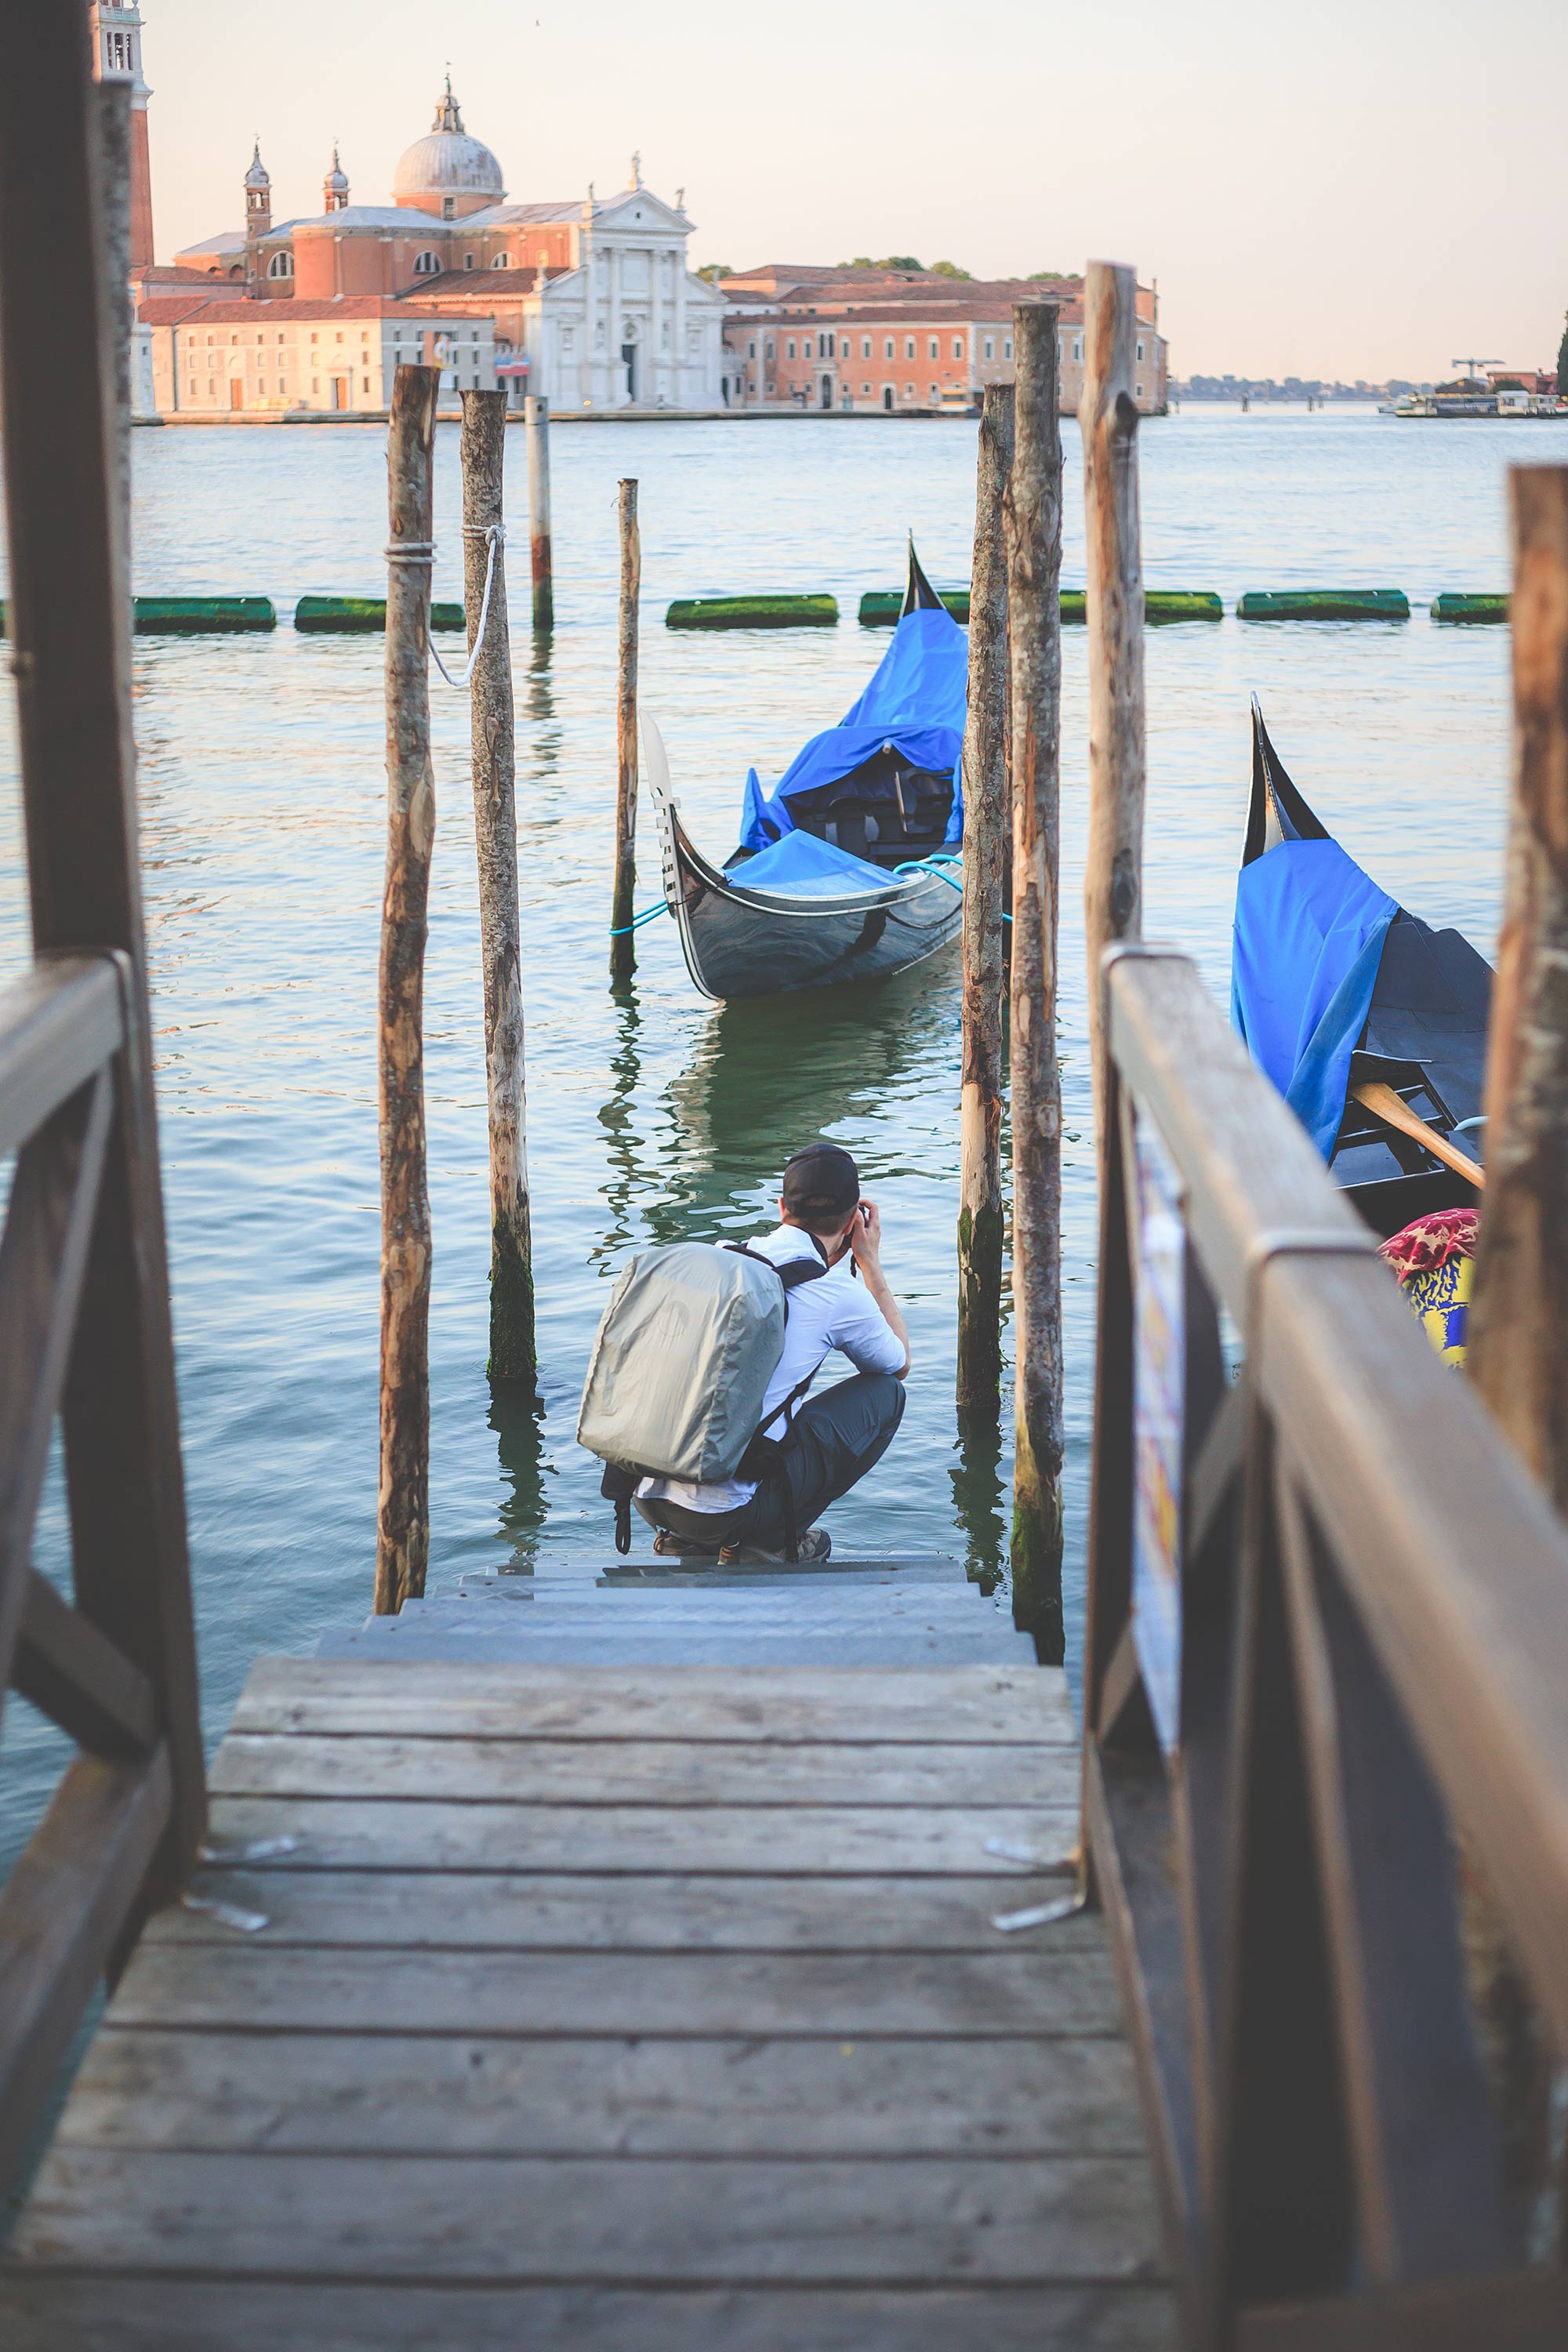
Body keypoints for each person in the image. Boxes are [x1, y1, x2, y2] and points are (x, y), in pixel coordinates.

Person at [634, 1142, 909, 1563]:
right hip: (728, 1515)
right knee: (888, 1395)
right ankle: (776, 1540)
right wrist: (869, 1262)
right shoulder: (836, 1292)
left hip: (647, 1495)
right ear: (855, 1220)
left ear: (782, 1207)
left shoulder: (721, 1256)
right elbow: (899, 1363)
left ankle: (689, 1539)